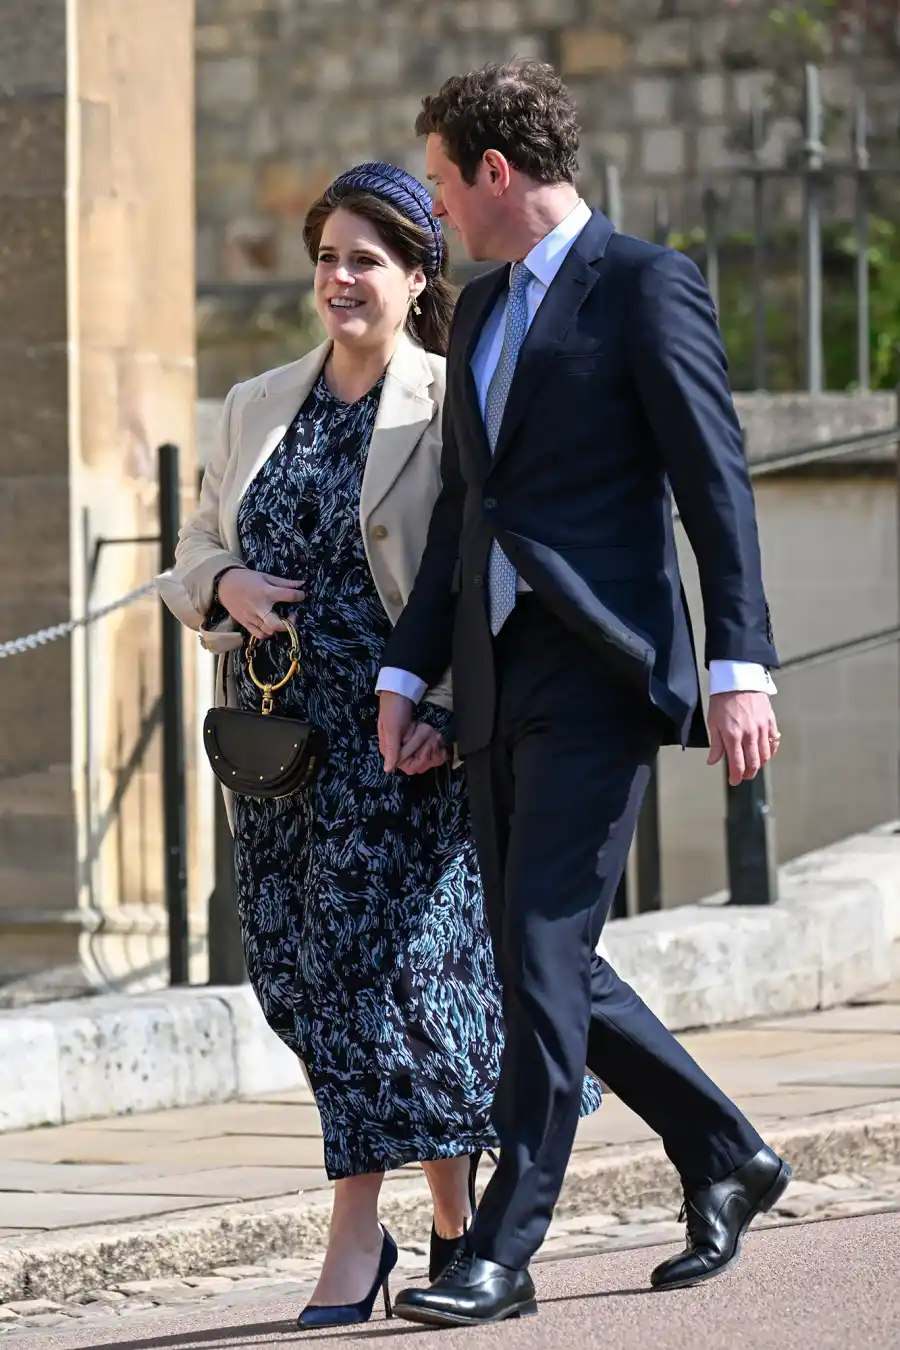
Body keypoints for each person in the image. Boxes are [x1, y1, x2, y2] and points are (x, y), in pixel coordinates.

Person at [376, 62, 791, 1329]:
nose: (435, 208)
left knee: (541, 952)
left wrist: (738, 665)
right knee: (536, 954)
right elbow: (467, 507)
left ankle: (501, 1250)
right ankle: (726, 1150)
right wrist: (408, 669)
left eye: (442, 181)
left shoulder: (646, 284)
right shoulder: (480, 309)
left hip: (605, 672)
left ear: (497, 172)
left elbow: (714, 484)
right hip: (496, 674)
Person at [157, 161, 601, 1331]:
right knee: (298, 978)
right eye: (327, 259)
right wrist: (226, 583)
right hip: (278, 746)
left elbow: (483, 570)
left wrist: (449, 704)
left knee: (376, 978)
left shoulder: (453, 397)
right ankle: (455, 1221)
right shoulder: (257, 401)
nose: (340, 279)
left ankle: (356, 1240)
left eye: (366, 260)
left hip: (402, 739)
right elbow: (192, 546)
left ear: (416, 278)